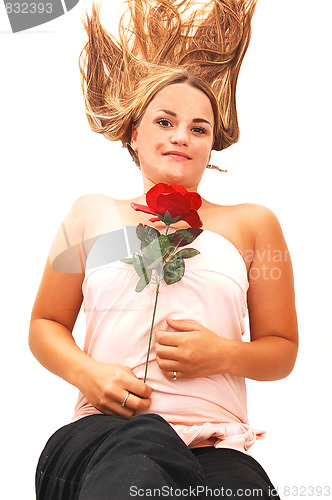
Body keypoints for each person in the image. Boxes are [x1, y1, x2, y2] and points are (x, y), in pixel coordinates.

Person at [29, 1, 298, 498]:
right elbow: (45, 325)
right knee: (143, 453)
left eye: (199, 128)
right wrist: (89, 375)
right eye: (165, 121)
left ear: (212, 145)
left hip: (216, 446)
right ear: (135, 133)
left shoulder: (255, 224)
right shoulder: (88, 213)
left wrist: (222, 353)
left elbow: (280, 351)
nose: (182, 137)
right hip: (103, 435)